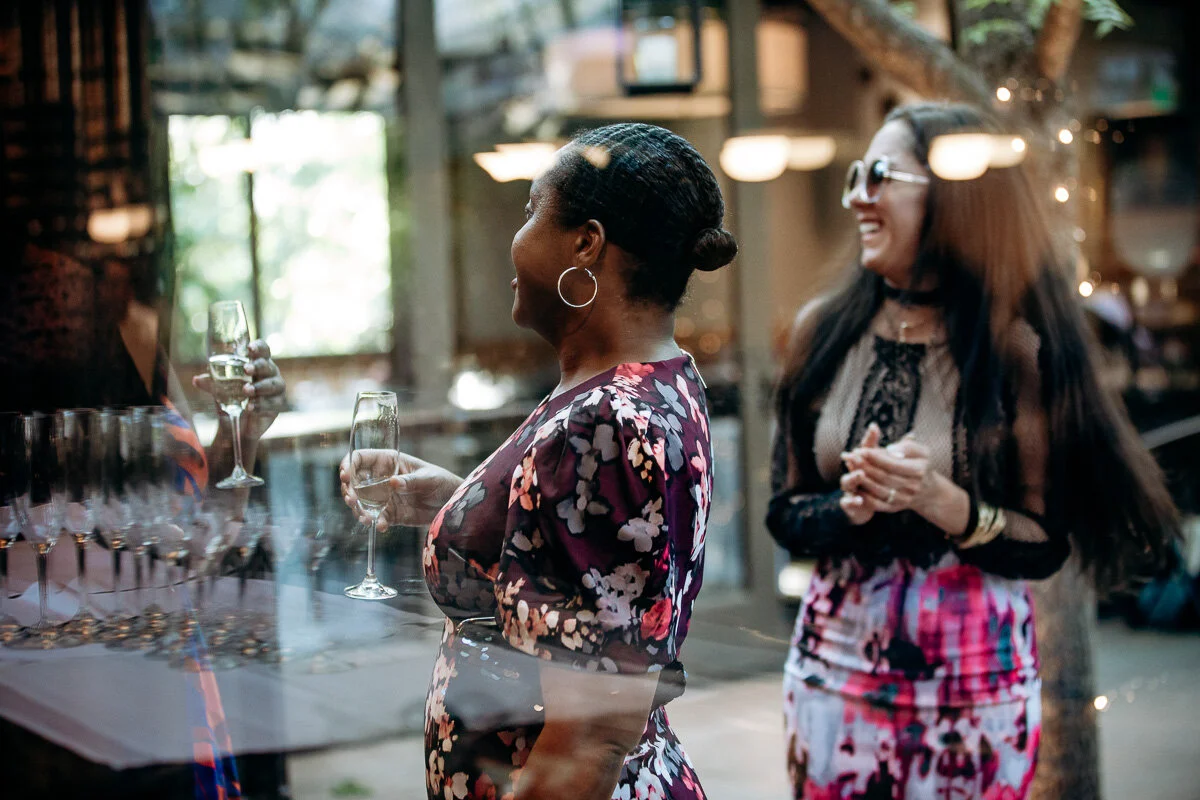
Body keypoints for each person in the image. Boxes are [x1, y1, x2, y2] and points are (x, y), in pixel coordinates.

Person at [767, 102, 1179, 800]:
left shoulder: (1019, 347)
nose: (858, 197)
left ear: (953, 195)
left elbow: (1044, 543)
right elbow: (785, 513)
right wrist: (849, 508)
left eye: (879, 176)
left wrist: (946, 504)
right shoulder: (822, 331)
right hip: (833, 680)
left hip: (973, 689)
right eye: (855, 176)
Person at [340, 123, 737, 800]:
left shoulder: (602, 424)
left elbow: (589, 738)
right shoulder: (654, 382)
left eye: (531, 212)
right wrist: (461, 504)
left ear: (586, 243)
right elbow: (592, 566)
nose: (515, 238)